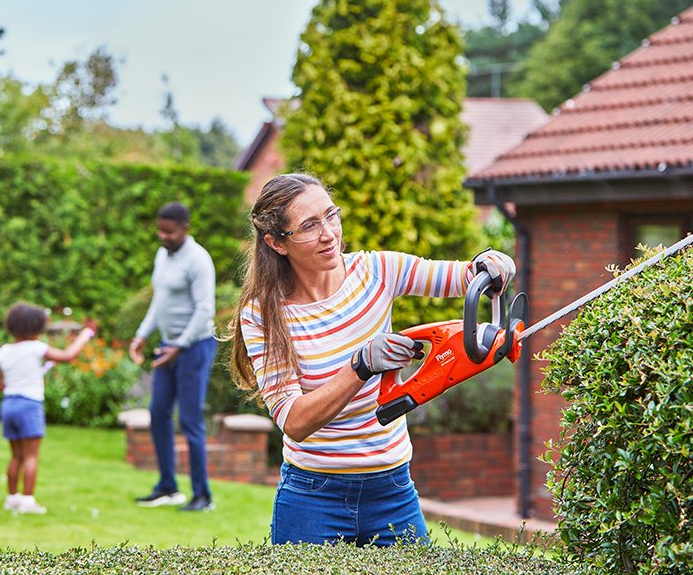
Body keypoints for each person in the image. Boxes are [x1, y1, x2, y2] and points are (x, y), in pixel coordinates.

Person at [228, 173, 515, 546]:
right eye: (309, 226)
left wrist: (489, 265)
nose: (329, 233)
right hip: (313, 496)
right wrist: (361, 365)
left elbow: (461, 276)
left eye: (331, 216)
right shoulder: (264, 314)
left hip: (393, 490)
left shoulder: (377, 271)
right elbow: (294, 421)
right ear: (276, 243)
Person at [129, 202, 218, 512]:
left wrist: (179, 346)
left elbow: (205, 309)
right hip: (169, 346)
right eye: (160, 229)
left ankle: (202, 496)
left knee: (191, 421)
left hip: (194, 348)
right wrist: (142, 334)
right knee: (158, 414)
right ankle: (167, 487)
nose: (162, 236)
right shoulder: (162, 255)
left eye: (169, 231)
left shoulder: (198, 260)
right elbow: (160, 299)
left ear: (185, 229)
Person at [0, 301, 96, 514]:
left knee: (16, 456)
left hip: (9, 404)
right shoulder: (36, 348)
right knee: (31, 456)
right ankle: (28, 501)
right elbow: (67, 356)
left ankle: (12, 498)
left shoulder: (3, 351)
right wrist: (84, 337)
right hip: (30, 405)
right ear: (36, 328)